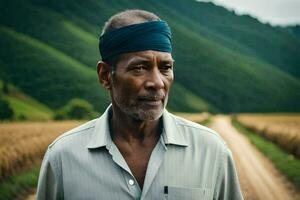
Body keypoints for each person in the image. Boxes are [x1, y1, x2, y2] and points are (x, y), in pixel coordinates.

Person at [36, 9, 243, 200]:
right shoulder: (63, 157)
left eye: (165, 67)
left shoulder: (211, 151)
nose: (157, 82)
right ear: (105, 75)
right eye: (140, 68)